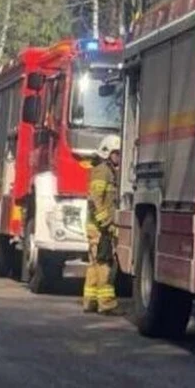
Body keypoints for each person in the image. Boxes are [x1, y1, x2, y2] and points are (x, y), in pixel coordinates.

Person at [82, 134, 121, 313]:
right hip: (99, 228)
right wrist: (106, 222)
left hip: (96, 226)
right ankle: (106, 303)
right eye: (116, 153)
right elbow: (95, 199)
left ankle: (90, 301)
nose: (119, 157)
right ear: (107, 152)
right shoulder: (103, 171)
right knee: (105, 264)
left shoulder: (108, 170)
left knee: (95, 264)